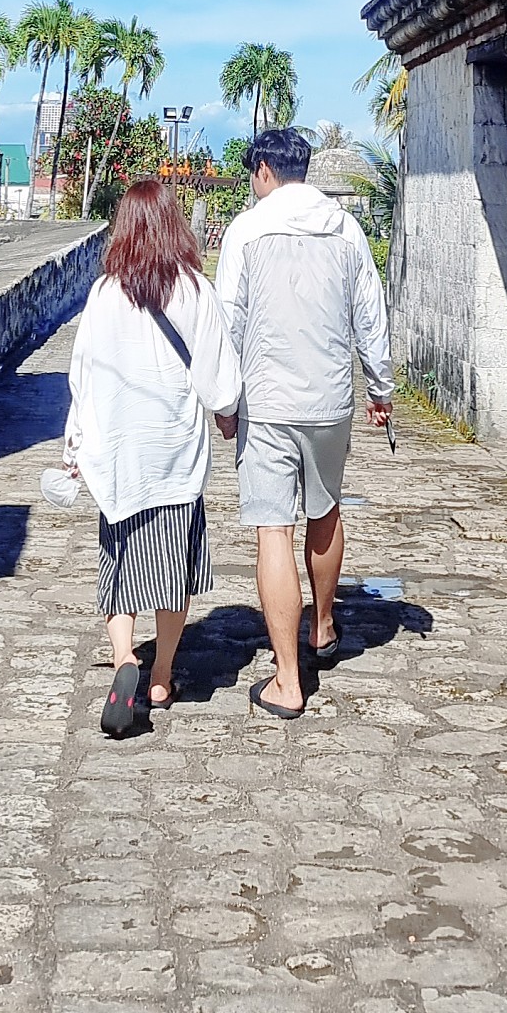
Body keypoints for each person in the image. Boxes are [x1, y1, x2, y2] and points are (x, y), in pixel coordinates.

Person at [214, 126, 394, 720]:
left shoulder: (247, 229)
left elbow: (229, 320)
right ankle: (322, 627)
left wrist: (224, 401)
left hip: (267, 404)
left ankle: (288, 680)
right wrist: (381, 389)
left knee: (273, 531)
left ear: (264, 169)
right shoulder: (346, 229)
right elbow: (370, 313)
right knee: (326, 510)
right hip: (328, 399)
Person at [64, 177, 243, 735]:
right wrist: (226, 408)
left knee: (118, 568)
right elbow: (218, 373)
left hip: (118, 457)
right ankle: (162, 676)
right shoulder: (192, 288)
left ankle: (124, 661)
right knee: (171, 575)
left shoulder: (104, 293)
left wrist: (77, 438)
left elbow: (82, 374)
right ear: (174, 226)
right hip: (172, 457)